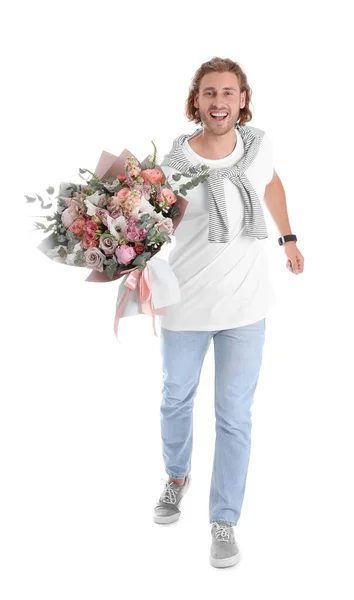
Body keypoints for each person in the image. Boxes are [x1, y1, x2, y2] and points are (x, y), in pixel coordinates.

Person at [152, 56, 305, 569]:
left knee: (235, 416)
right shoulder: (172, 166)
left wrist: (288, 238)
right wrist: (131, 264)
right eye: (210, 93)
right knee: (176, 397)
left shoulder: (259, 146)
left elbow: (272, 185)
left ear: (243, 100)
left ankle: (224, 519)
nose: (219, 102)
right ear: (196, 100)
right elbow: (150, 226)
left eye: (229, 93)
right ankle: (177, 477)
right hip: (186, 304)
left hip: (246, 306)